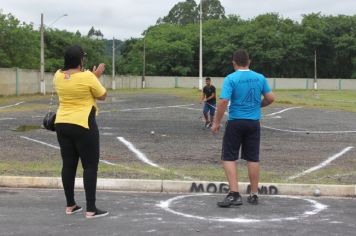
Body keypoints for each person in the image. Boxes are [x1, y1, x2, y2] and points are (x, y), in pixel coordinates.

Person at [211, 49, 275, 207]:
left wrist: (216, 122)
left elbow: (223, 102)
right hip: (254, 123)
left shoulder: (231, 78)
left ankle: (234, 194)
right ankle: (254, 194)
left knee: (229, 157)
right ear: (249, 61)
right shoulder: (259, 78)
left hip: (236, 122)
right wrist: (257, 105)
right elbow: (271, 98)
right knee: (253, 158)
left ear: (234, 63)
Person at [54, 45, 109, 218]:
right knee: (90, 165)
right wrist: (96, 76)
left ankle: (70, 205)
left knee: (68, 164)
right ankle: (91, 208)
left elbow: (74, 83)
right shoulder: (87, 76)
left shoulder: (57, 75)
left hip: (62, 123)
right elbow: (102, 95)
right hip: (83, 123)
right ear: (80, 60)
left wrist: (92, 77)